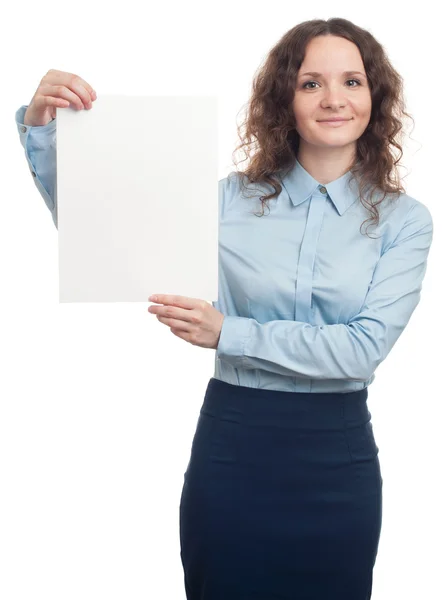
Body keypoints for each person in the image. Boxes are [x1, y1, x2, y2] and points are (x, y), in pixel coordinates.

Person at [15, 16, 434, 600]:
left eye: (353, 82)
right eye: (311, 82)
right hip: (235, 448)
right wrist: (45, 132)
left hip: (338, 460)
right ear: (284, 97)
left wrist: (228, 333)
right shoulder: (231, 201)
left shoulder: (404, 221)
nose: (334, 99)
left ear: (375, 96)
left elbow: (362, 351)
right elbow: (108, 234)